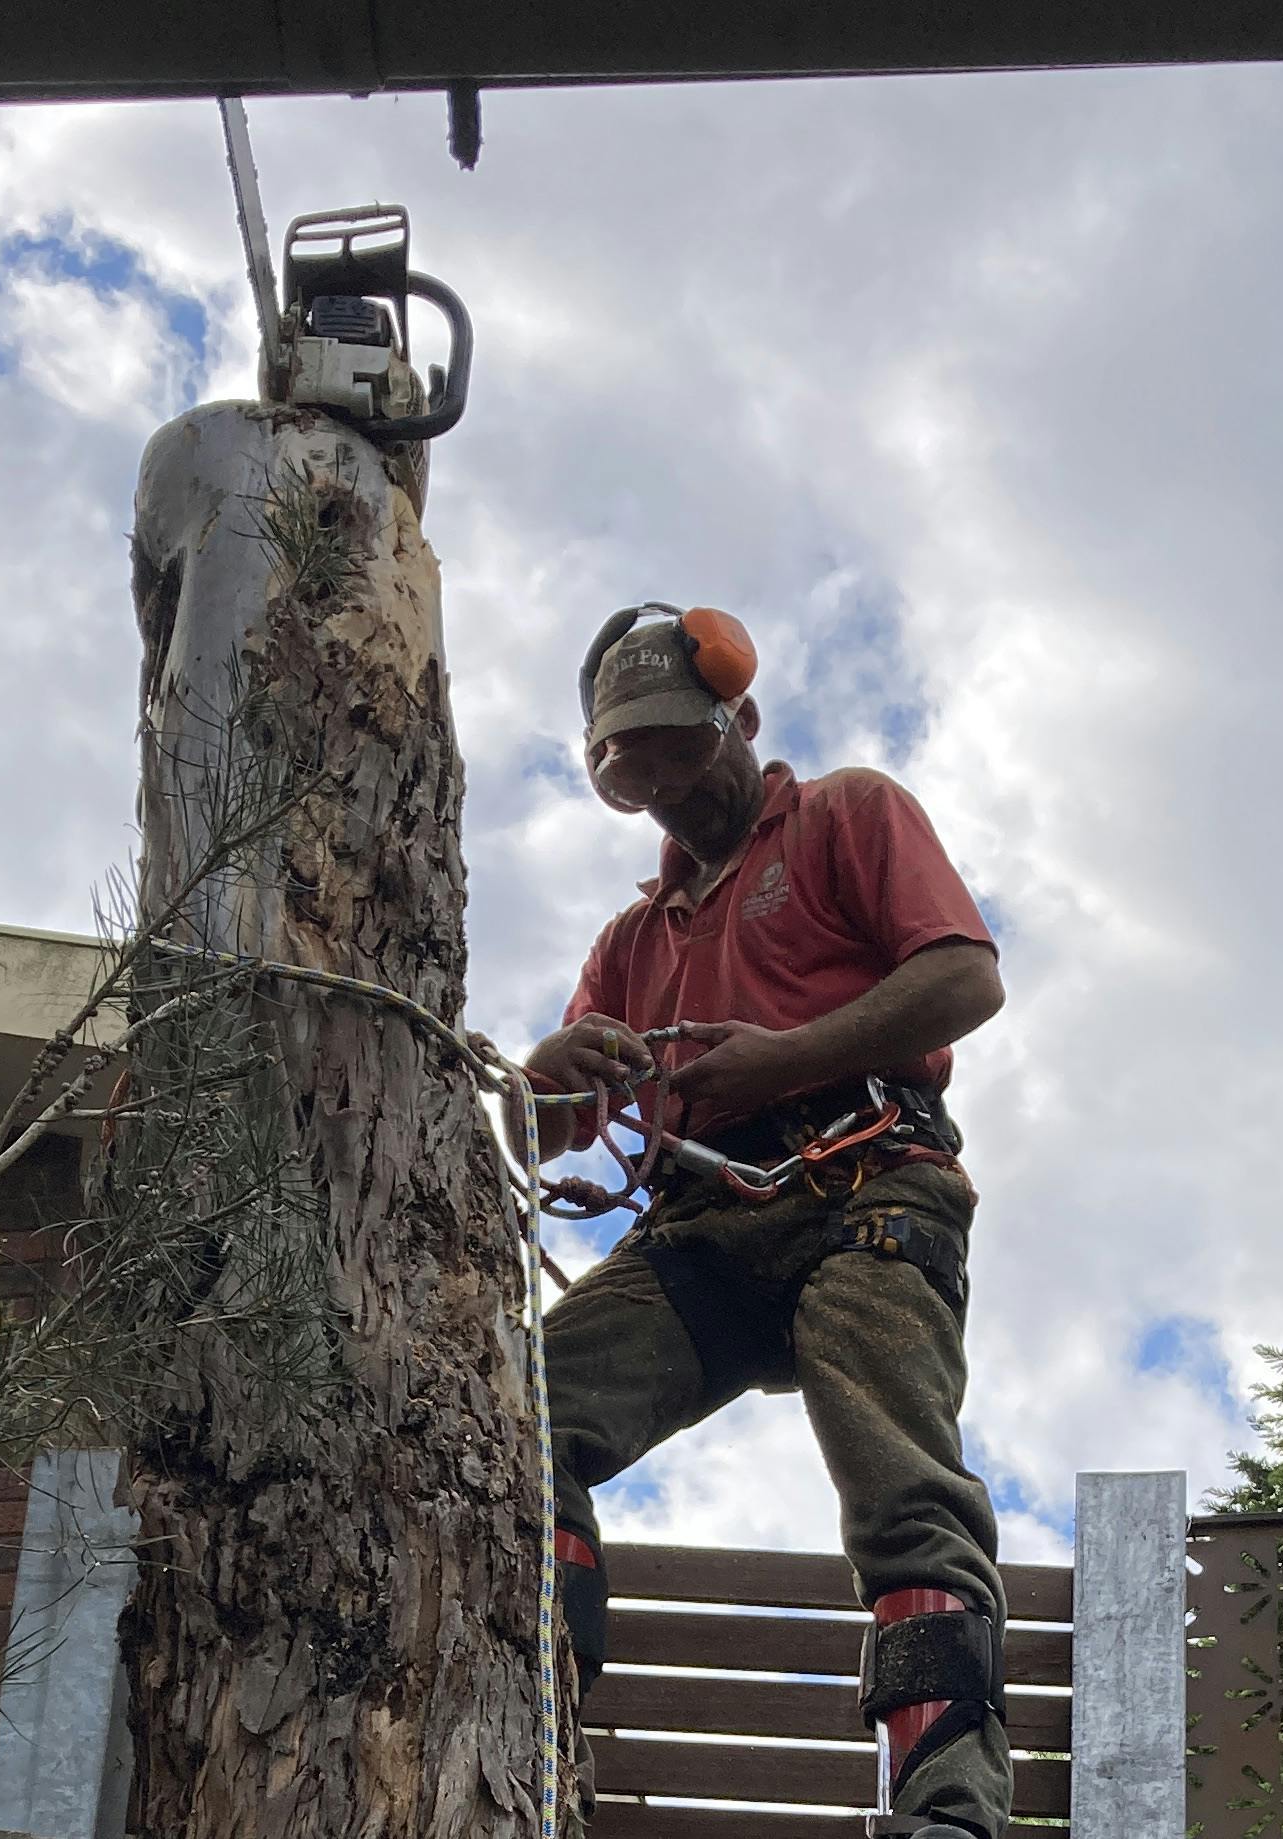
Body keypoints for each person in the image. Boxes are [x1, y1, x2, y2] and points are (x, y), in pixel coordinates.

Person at [515, 603, 1012, 1838]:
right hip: (703, 1229)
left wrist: (783, 1059)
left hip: (867, 1188)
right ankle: (530, 1746)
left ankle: (950, 1813)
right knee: (515, 1417)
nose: (669, 786)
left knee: (900, 1490)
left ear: (737, 717)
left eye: (682, 749)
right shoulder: (634, 939)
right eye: (638, 768)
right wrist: (549, 1072)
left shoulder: (848, 814)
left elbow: (964, 978)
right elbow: (540, 1133)